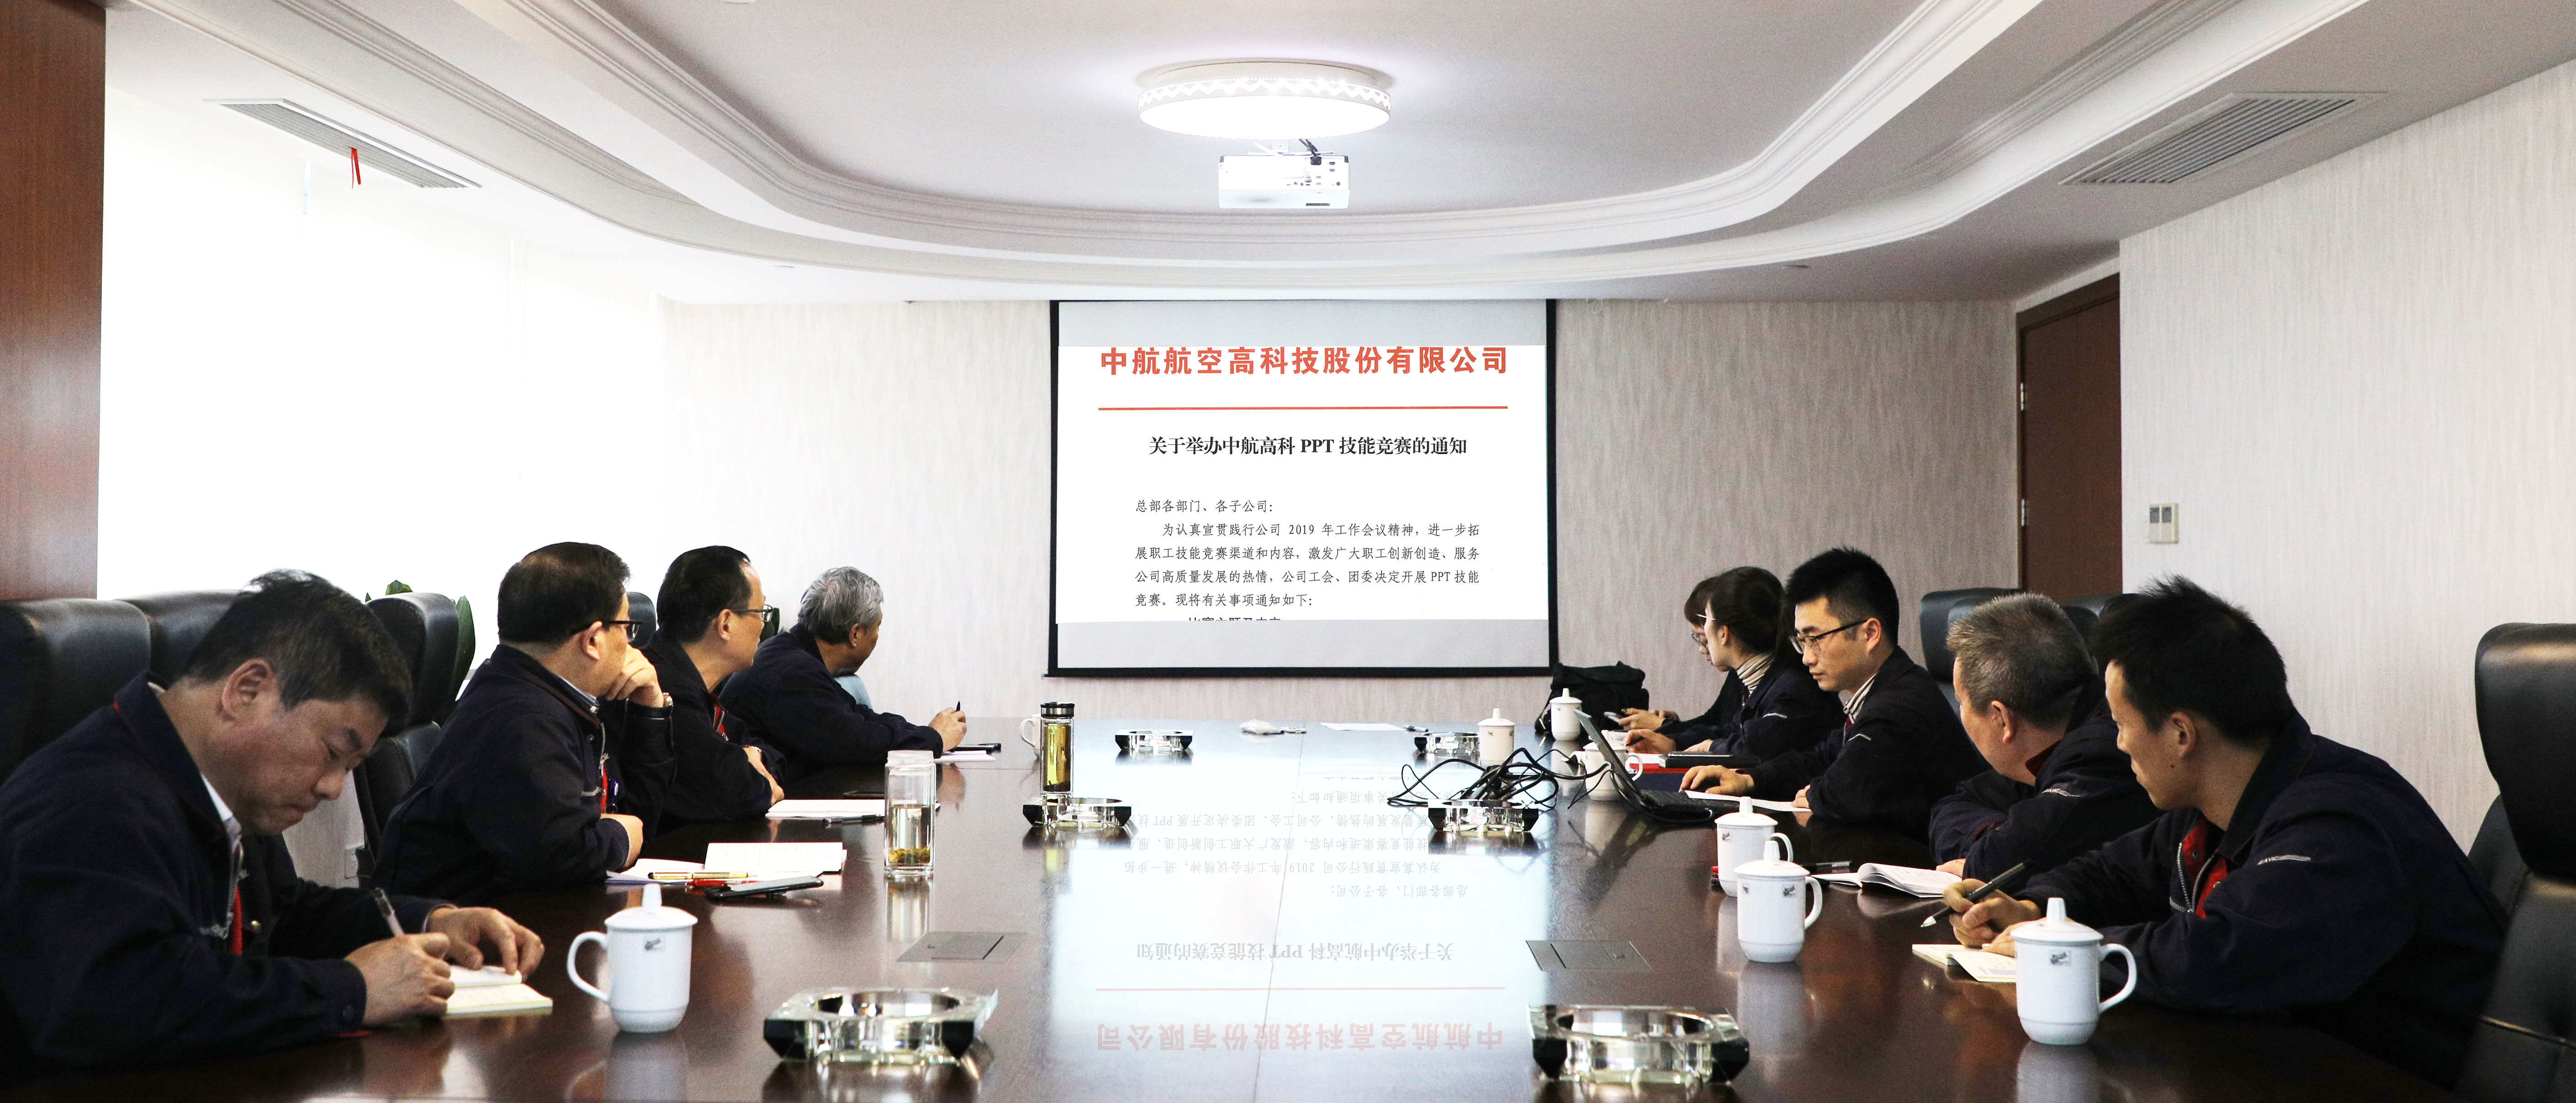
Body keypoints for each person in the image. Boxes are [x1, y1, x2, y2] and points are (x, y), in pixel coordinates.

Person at [1945, 578, 2504, 1088]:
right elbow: (2113, 871)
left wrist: (2069, 952)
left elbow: (2219, 956)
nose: (2118, 743)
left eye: (2121, 724)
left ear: (2181, 734)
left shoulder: (2338, 823)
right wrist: (2029, 906)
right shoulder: (2218, 804)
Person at [0, 572, 542, 1079]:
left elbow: (284, 915)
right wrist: (351, 989)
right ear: (247, 689)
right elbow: (118, 1005)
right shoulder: (93, 804)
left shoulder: (214, 784)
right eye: (333, 752)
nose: (333, 787)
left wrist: (431, 920)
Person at [376, 543, 674, 905]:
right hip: (469, 929)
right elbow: (559, 859)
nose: (630, 644)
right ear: (594, 640)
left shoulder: (544, 697)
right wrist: (619, 837)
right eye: (626, 628)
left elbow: (636, 817)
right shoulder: (524, 722)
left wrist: (650, 708)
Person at [1682, 547, 1982, 839]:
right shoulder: (1881, 691)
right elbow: (1823, 758)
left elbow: (1842, 791)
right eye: (1801, 642)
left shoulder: (1900, 704)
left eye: (1815, 639)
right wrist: (1748, 780)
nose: (1806, 658)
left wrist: (1816, 794)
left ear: (1870, 634)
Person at [1927, 594, 2157, 880]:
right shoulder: (2038, 748)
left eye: (1961, 701)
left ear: (2001, 719)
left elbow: (1999, 862)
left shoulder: (2105, 753)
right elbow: (1951, 808)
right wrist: (1997, 834)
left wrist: (1988, 854)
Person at [721, 567, 964, 782]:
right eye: (877, 627)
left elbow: (858, 717)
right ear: (855, 634)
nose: (878, 636)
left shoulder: (794, 655)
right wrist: (933, 739)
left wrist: (925, 733)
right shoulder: (792, 672)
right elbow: (855, 742)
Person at [1623, 567, 1839, 762]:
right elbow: (1729, 731)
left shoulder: (1793, 687)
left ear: (1724, 633)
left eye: (1707, 621)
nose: (1704, 636)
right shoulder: (1762, 681)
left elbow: (1755, 748)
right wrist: (1674, 743)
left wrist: (1708, 748)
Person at [642, 546, 784, 825]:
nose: (763, 626)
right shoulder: (659, 690)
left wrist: (754, 755)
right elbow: (737, 793)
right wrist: (757, 776)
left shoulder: (693, 680)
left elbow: (772, 756)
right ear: (726, 624)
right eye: (760, 612)